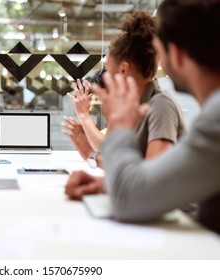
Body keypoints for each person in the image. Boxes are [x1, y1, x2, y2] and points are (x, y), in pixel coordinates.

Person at [66, 0, 220, 234]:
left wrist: (119, 128)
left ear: (176, 55)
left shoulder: (209, 118)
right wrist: (106, 184)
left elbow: (136, 196)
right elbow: (160, 178)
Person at [64, 12, 186, 163]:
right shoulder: (131, 107)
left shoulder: (161, 106)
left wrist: (93, 157)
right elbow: (117, 158)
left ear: (123, 69)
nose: (105, 77)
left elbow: (151, 179)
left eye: (108, 67)